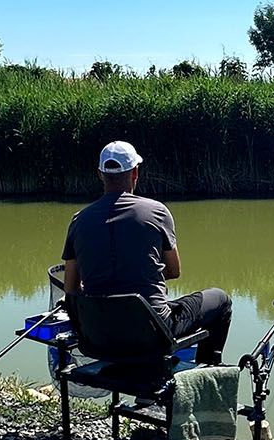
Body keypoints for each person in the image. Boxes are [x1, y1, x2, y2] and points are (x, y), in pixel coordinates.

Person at [61, 139, 232, 363]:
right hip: (152, 333)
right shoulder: (156, 212)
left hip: (99, 336)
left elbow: (70, 288)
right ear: (135, 173)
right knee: (221, 299)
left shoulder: (79, 220)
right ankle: (207, 375)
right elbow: (174, 271)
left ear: (100, 174)